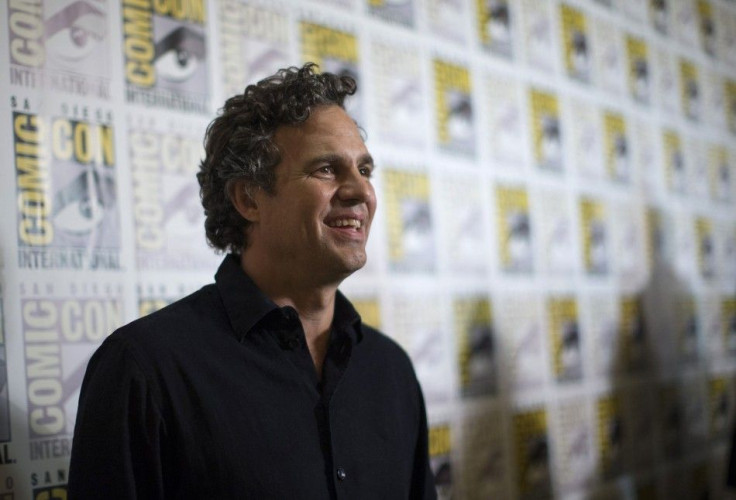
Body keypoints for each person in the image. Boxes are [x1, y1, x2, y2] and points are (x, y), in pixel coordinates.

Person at [68, 63, 436, 499]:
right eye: (325, 169)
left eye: (365, 170)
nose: (361, 192)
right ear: (248, 198)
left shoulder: (390, 370)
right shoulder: (145, 369)